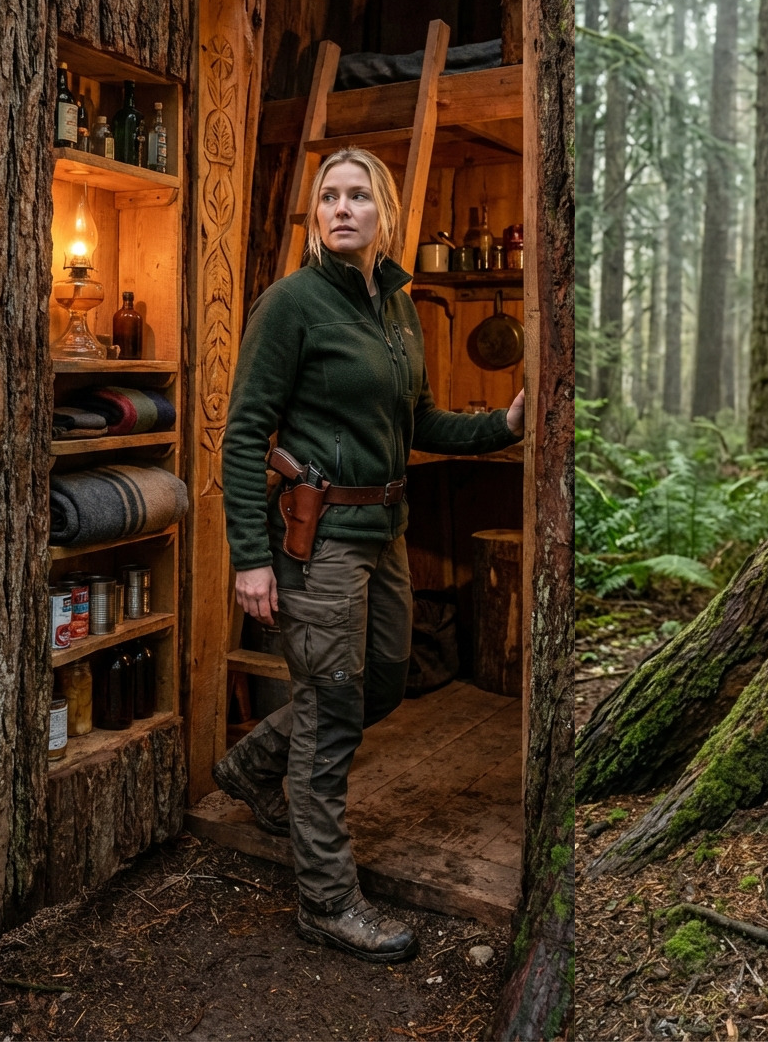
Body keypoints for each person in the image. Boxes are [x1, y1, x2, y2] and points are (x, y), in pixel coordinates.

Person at [214, 146, 525, 963]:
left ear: (385, 212)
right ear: (316, 215)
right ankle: (326, 900)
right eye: (329, 196)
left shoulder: (397, 308)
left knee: (384, 681)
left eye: (358, 195)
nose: (341, 208)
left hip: (384, 534)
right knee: (332, 709)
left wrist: (504, 426)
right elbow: (243, 434)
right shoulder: (291, 305)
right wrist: (251, 558)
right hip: (316, 545)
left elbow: (417, 422)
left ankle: (250, 766)